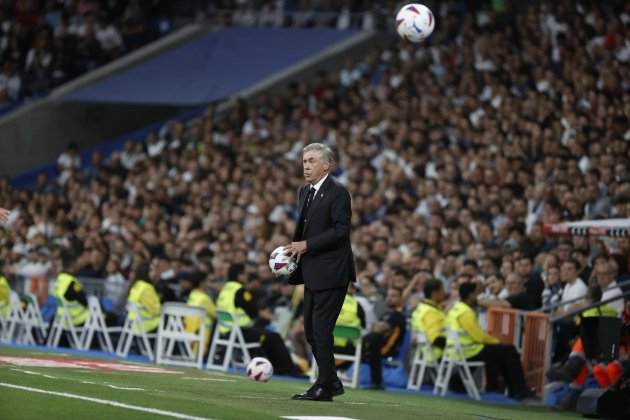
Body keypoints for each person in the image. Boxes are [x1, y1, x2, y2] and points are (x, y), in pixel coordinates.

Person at [285, 142, 356, 402]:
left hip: (333, 272)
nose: (306, 165)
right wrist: (293, 251)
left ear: (326, 165)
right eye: (304, 161)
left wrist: (308, 245)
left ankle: (324, 385)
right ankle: (331, 382)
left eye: (312, 161)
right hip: (312, 272)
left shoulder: (338, 192)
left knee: (321, 330)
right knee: (312, 332)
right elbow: (307, 229)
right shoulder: (305, 192)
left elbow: (341, 231)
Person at [446, 282, 532, 400]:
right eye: (476, 294)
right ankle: (518, 390)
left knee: (500, 352)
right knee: (509, 350)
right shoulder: (465, 312)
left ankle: (498, 387)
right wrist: (497, 341)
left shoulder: (455, 308)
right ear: (470, 295)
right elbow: (479, 337)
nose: (477, 297)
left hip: (457, 350)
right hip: (469, 351)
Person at [216, 263, 302, 376]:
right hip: (240, 332)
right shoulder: (240, 291)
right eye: (245, 274)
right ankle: (289, 370)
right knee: (274, 337)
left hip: (224, 331)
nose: (247, 277)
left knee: (265, 335)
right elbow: (254, 313)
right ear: (239, 275)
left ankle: (275, 367)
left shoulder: (225, 289)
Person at [362, 287, 407, 390]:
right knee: (368, 339)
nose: (389, 298)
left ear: (401, 299)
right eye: (388, 295)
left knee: (373, 338)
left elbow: (377, 328)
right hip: (379, 344)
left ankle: (377, 382)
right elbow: (374, 327)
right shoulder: (388, 314)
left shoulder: (398, 315)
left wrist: (376, 327)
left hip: (388, 348)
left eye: (393, 296)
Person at [180, 271, 216, 356]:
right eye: (207, 281)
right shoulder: (205, 299)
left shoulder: (192, 295)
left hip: (185, 335)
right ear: (201, 283)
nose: (209, 284)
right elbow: (216, 315)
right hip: (200, 341)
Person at [411, 278, 446, 363]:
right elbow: (436, 339)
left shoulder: (421, 308)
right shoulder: (431, 312)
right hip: (437, 355)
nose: (444, 293)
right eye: (442, 290)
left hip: (424, 353)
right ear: (434, 293)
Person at [127, 262, 161, 334]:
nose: (155, 273)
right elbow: (156, 311)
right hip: (146, 324)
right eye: (152, 270)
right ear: (146, 272)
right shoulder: (146, 288)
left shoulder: (136, 285)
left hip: (132, 323)